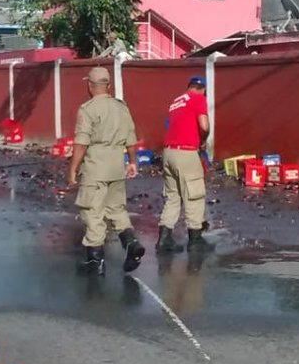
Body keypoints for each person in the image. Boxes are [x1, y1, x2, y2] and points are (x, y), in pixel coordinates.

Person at [67, 66, 145, 276]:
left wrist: (73, 169)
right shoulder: (121, 107)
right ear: (108, 85)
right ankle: (131, 243)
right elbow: (131, 137)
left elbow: (82, 143)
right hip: (116, 166)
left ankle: (95, 260)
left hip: (96, 167)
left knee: (92, 212)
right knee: (117, 209)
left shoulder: (88, 109)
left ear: (90, 86)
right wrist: (132, 161)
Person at [157, 75, 214, 253]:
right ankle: (195, 240)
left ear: (189, 86)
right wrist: (203, 140)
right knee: (194, 194)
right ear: (202, 89)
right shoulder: (198, 99)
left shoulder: (176, 101)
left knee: (173, 196)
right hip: (186, 153)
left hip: (168, 153)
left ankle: (164, 239)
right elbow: (204, 126)